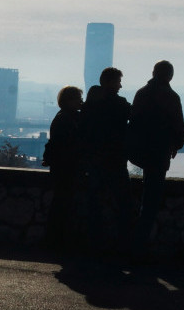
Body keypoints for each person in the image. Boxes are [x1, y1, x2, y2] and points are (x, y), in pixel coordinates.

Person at [126, 60, 184, 259]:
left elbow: (133, 121)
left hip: (140, 152)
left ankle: (133, 243)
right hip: (159, 152)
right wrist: (176, 144)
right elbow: (178, 124)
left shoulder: (141, 93)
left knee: (144, 196)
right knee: (151, 199)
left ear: (153, 72)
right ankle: (139, 246)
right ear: (170, 76)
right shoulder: (171, 96)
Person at [79, 67, 132, 253]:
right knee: (123, 202)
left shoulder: (89, 105)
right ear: (109, 83)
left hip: (93, 160)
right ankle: (123, 244)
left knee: (94, 202)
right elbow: (135, 118)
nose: (120, 86)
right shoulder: (119, 105)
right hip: (115, 160)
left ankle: (94, 242)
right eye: (118, 82)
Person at [43, 85, 83, 250]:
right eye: (79, 99)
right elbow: (68, 145)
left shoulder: (64, 117)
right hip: (66, 169)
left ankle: (56, 240)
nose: (82, 102)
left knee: (61, 204)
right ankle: (57, 240)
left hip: (62, 169)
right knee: (63, 204)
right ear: (70, 101)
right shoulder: (67, 119)